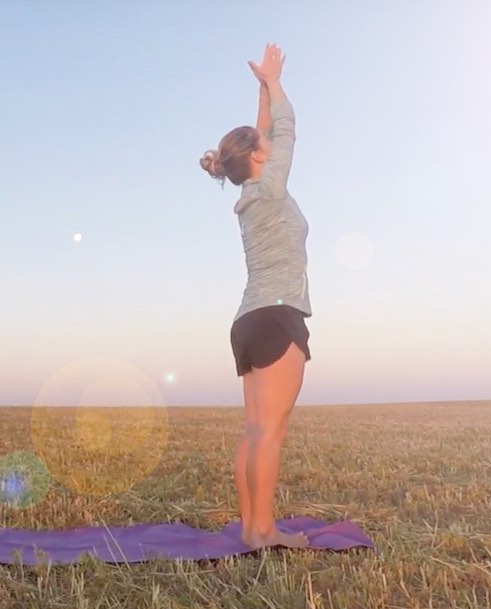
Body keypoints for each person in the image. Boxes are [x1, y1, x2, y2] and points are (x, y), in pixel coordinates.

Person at [200, 43, 311, 550]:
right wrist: (276, 85)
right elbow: (283, 131)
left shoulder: (249, 193)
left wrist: (262, 87)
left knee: (254, 431)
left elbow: (262, 138)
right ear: (258, 159)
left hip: (249, 321)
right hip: (275, 317)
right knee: (270, 430)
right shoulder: (268, 188)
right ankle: (264, 530)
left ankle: (251, 526)